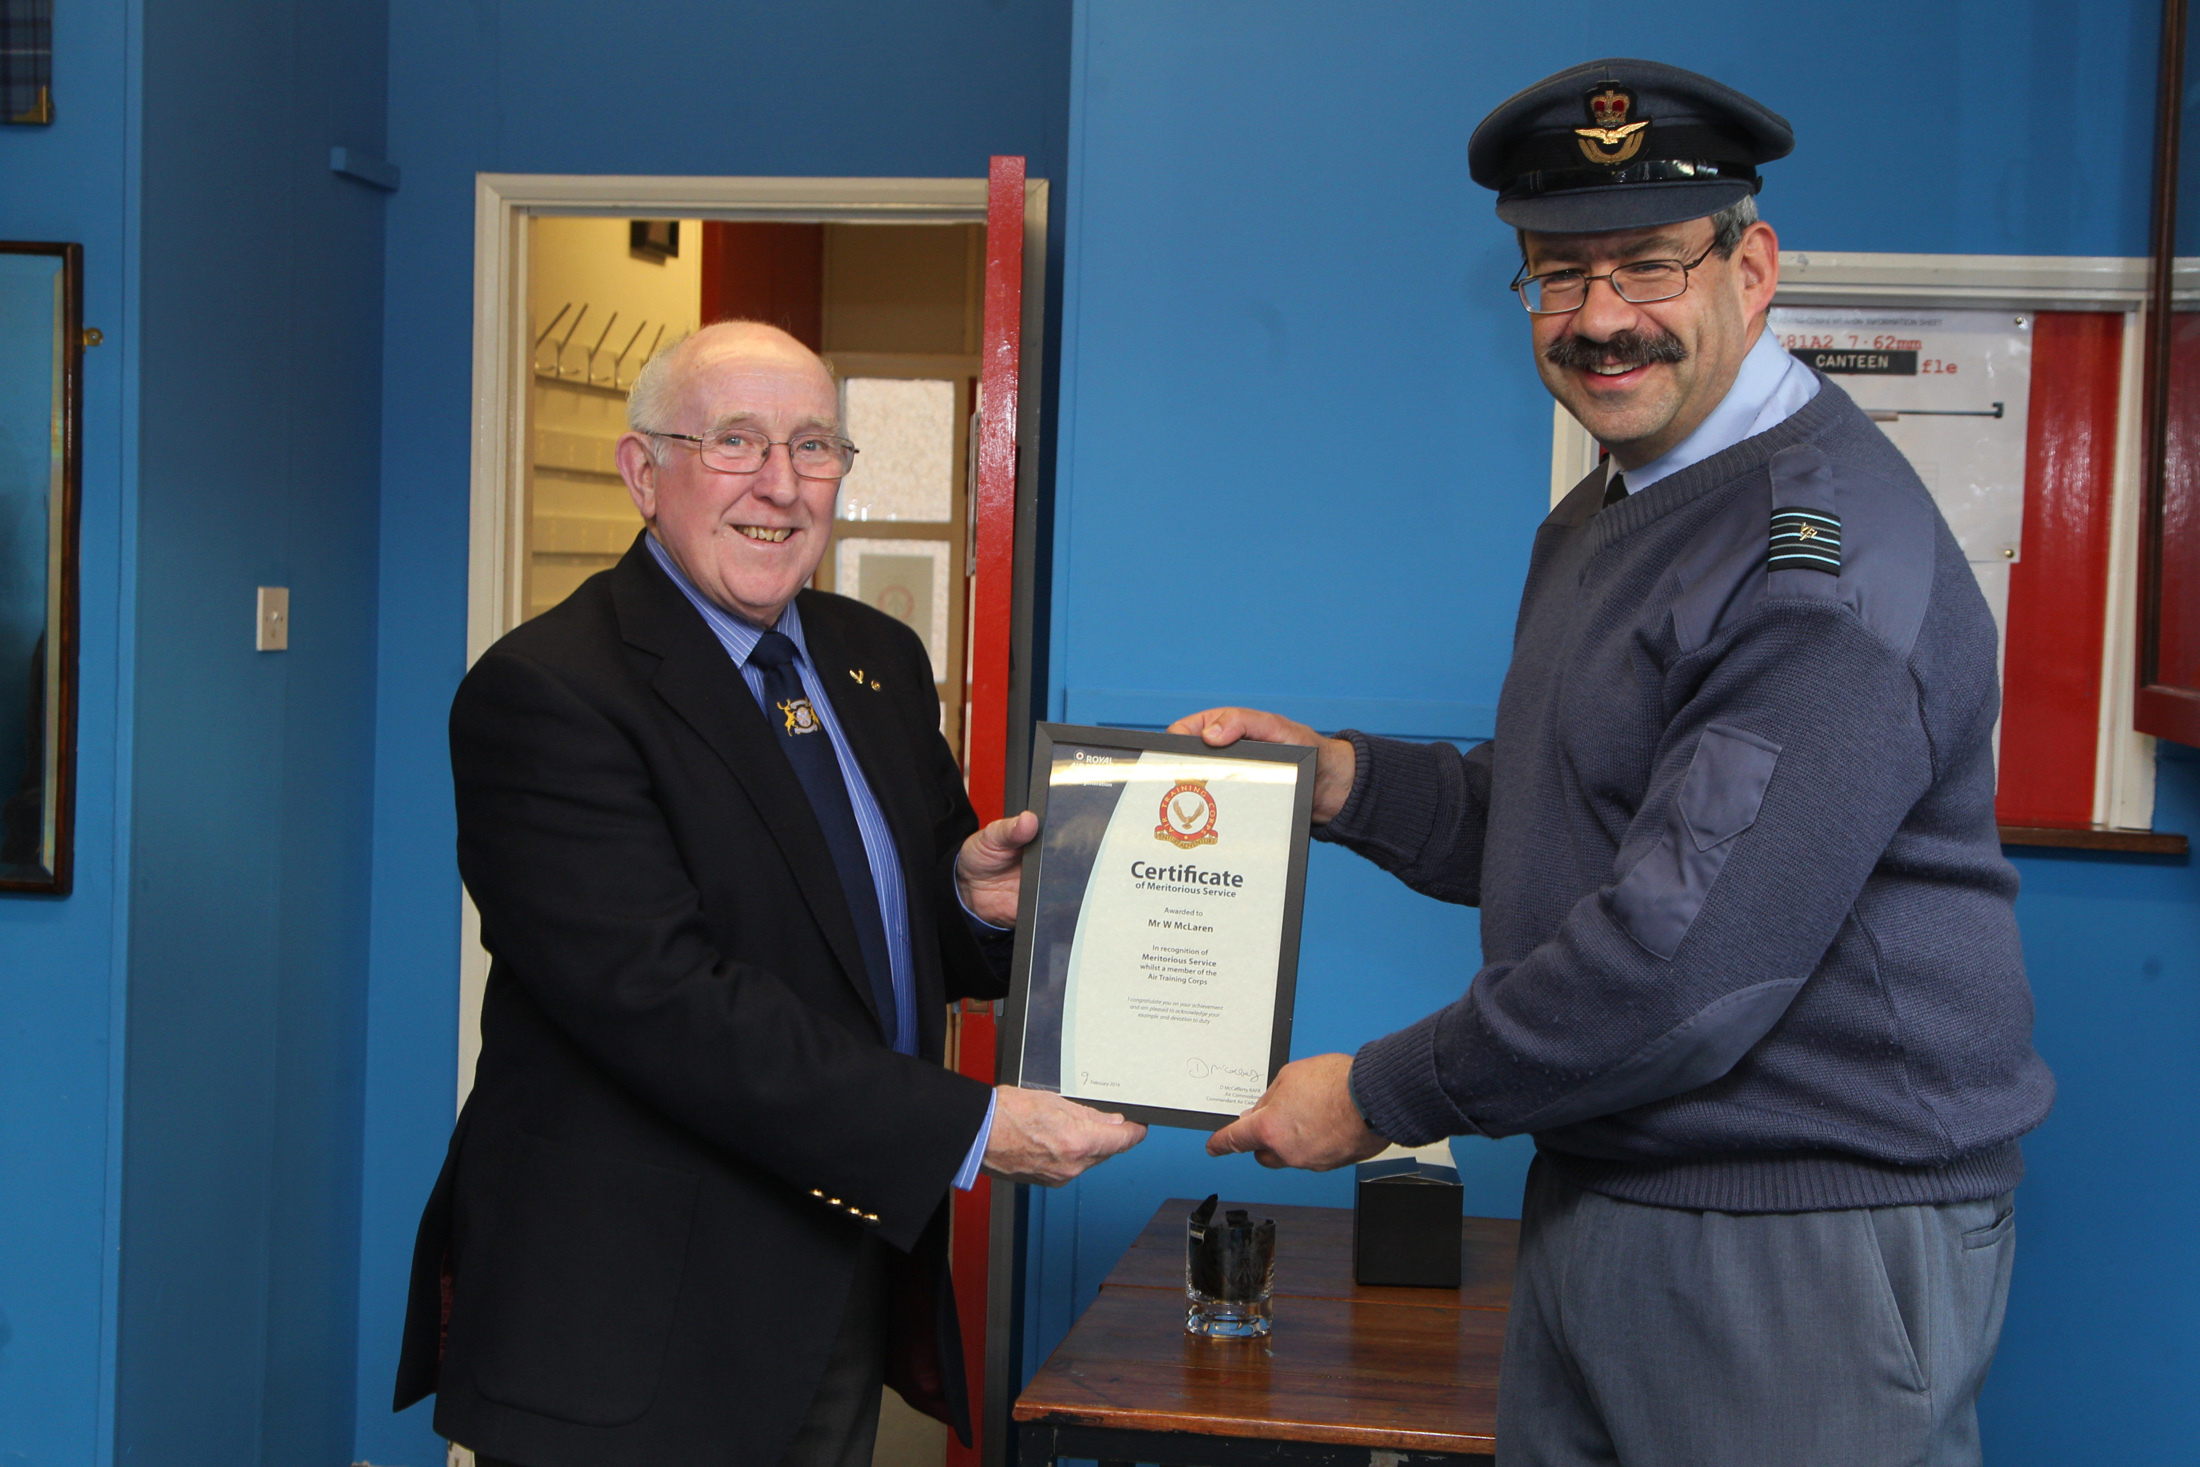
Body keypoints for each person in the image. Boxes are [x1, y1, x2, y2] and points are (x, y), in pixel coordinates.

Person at [1176, 59, 2053, 1467]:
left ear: (1751, 268)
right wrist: (1339, 779)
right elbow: (1570, 822)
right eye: (1555, 274)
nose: (1598, 321)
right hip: (1613, 1184)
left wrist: (1377, 1094)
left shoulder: (1812, 561)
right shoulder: (1610, 510)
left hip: (1798, 1236)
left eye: (1648, 265)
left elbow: (1678, 958)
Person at [394, 322, 1145, 1467]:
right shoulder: (548, 692)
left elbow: (873, 930)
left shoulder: (874, 658)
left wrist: (969, 901)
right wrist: (974, 1125)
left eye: (813, 446)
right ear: (644, 473)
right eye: (733, 442)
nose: (780, 485)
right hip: (631, 1320)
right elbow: (659, 1002)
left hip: (832, 1267)